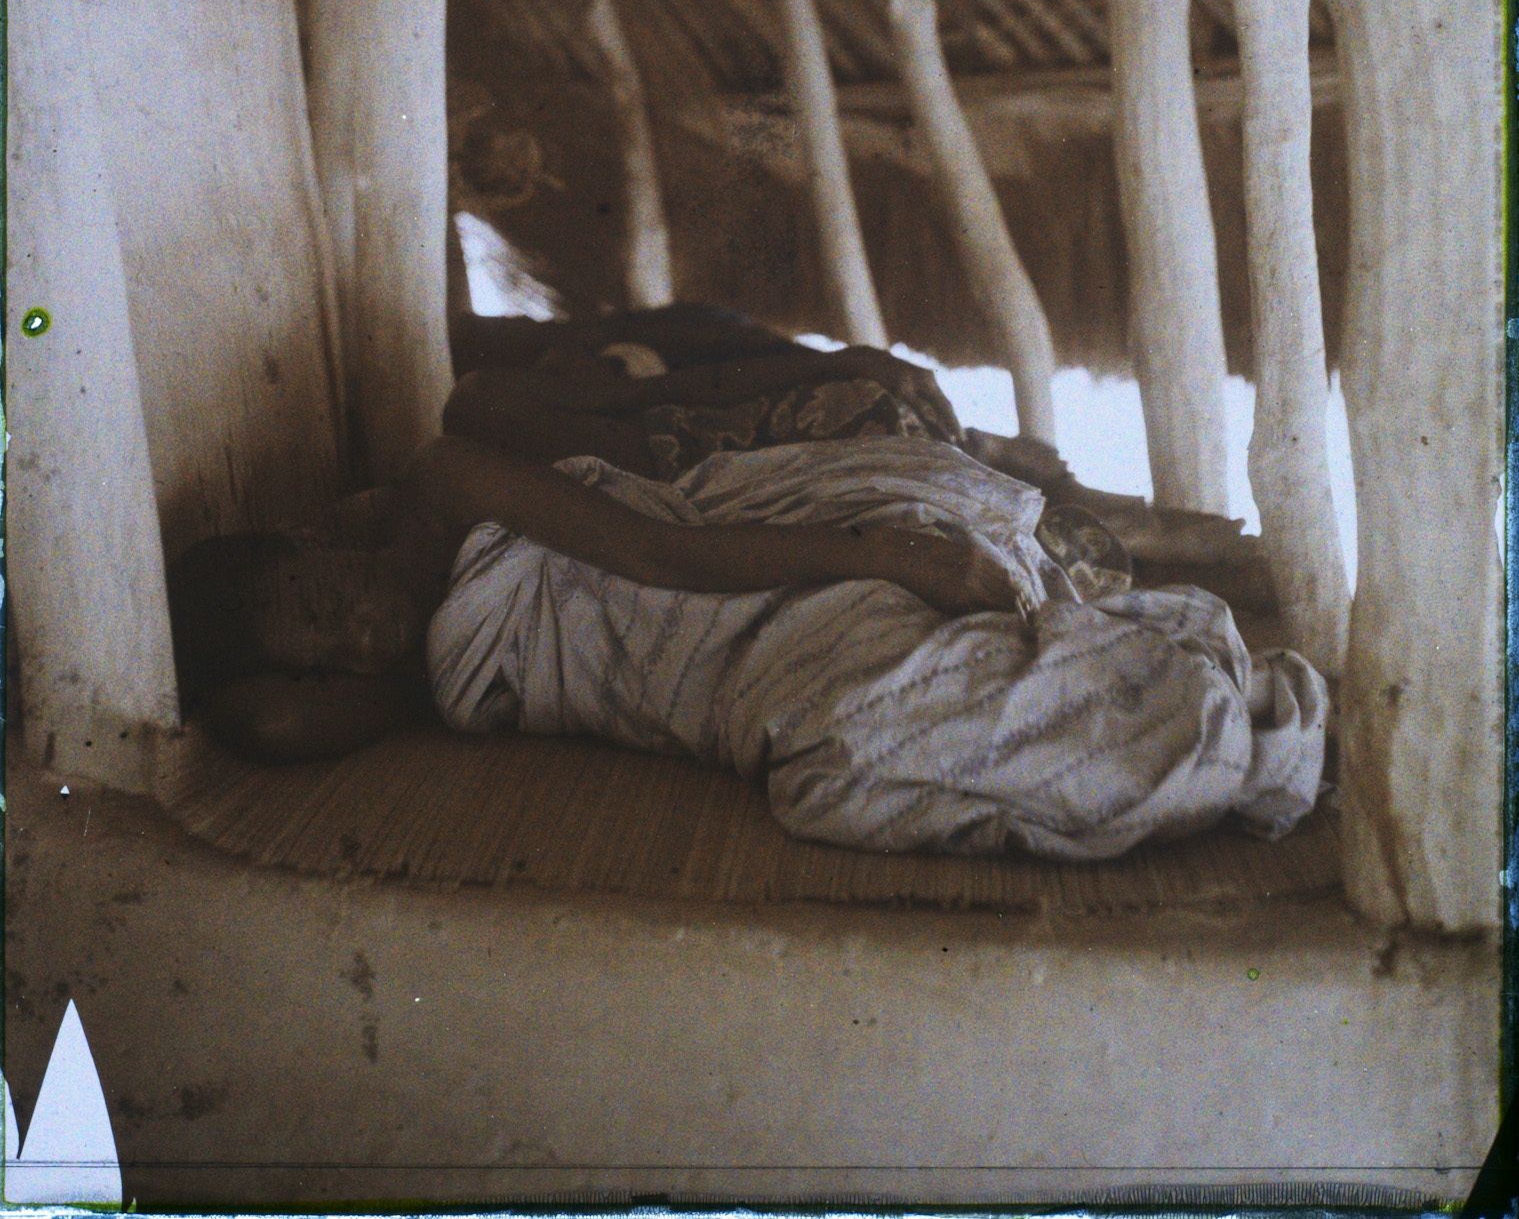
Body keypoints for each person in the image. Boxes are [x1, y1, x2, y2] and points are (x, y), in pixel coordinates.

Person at [170, 312, 1327, 863]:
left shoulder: (455, 479)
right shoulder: (392, 673)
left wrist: (889, 551)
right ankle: (1167, 703)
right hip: (699, 697)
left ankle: (1188, 699)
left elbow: (664, 558)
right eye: (322, 650)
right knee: (840, 767)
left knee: (883, 675)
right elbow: (271, 717)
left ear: (313, 543)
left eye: (324, 602)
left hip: (711, 598)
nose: (353, 637)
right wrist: (254, 661)